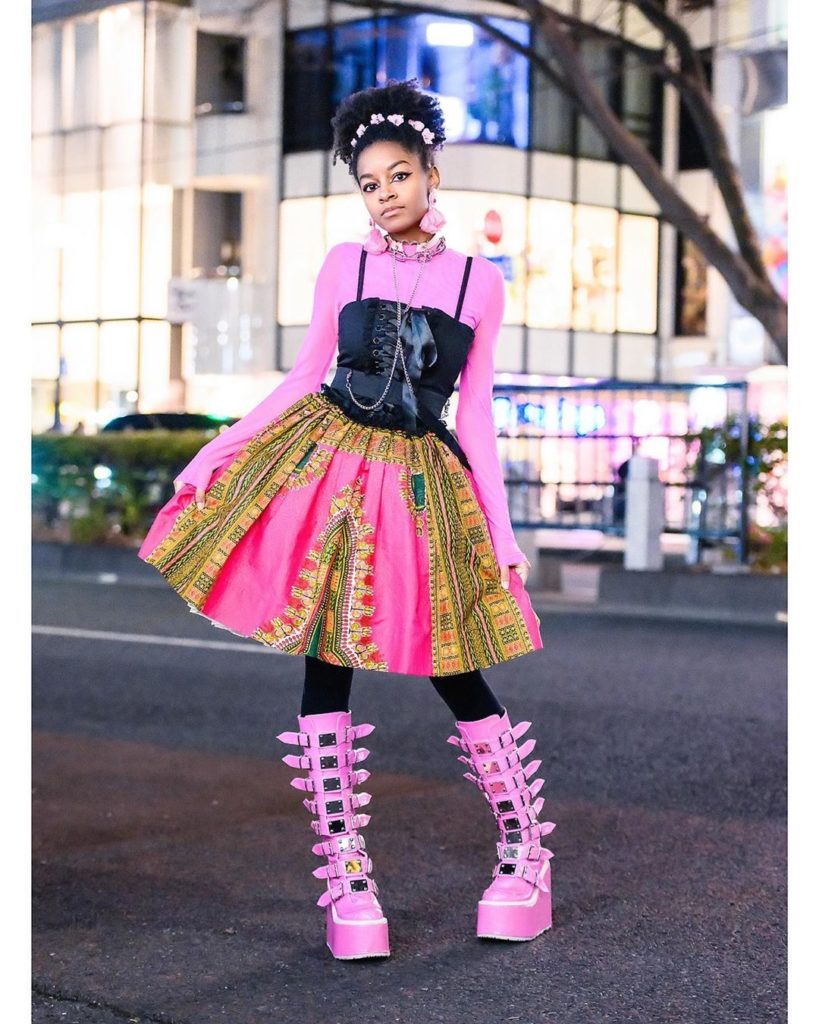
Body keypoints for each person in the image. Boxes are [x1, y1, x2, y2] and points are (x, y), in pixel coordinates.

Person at [137, 78, 555, 960]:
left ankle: (526, 856)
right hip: (329, 472)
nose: (385, 194)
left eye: (399, 175)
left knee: (454, 658)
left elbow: (476, 413)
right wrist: (216, 451)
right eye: (369, 183)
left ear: (431, 173)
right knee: (325, 655)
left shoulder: (479, 281)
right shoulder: (344, 264)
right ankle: (348, 876)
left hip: (423, 486)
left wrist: (503, 533)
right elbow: (303, 376)